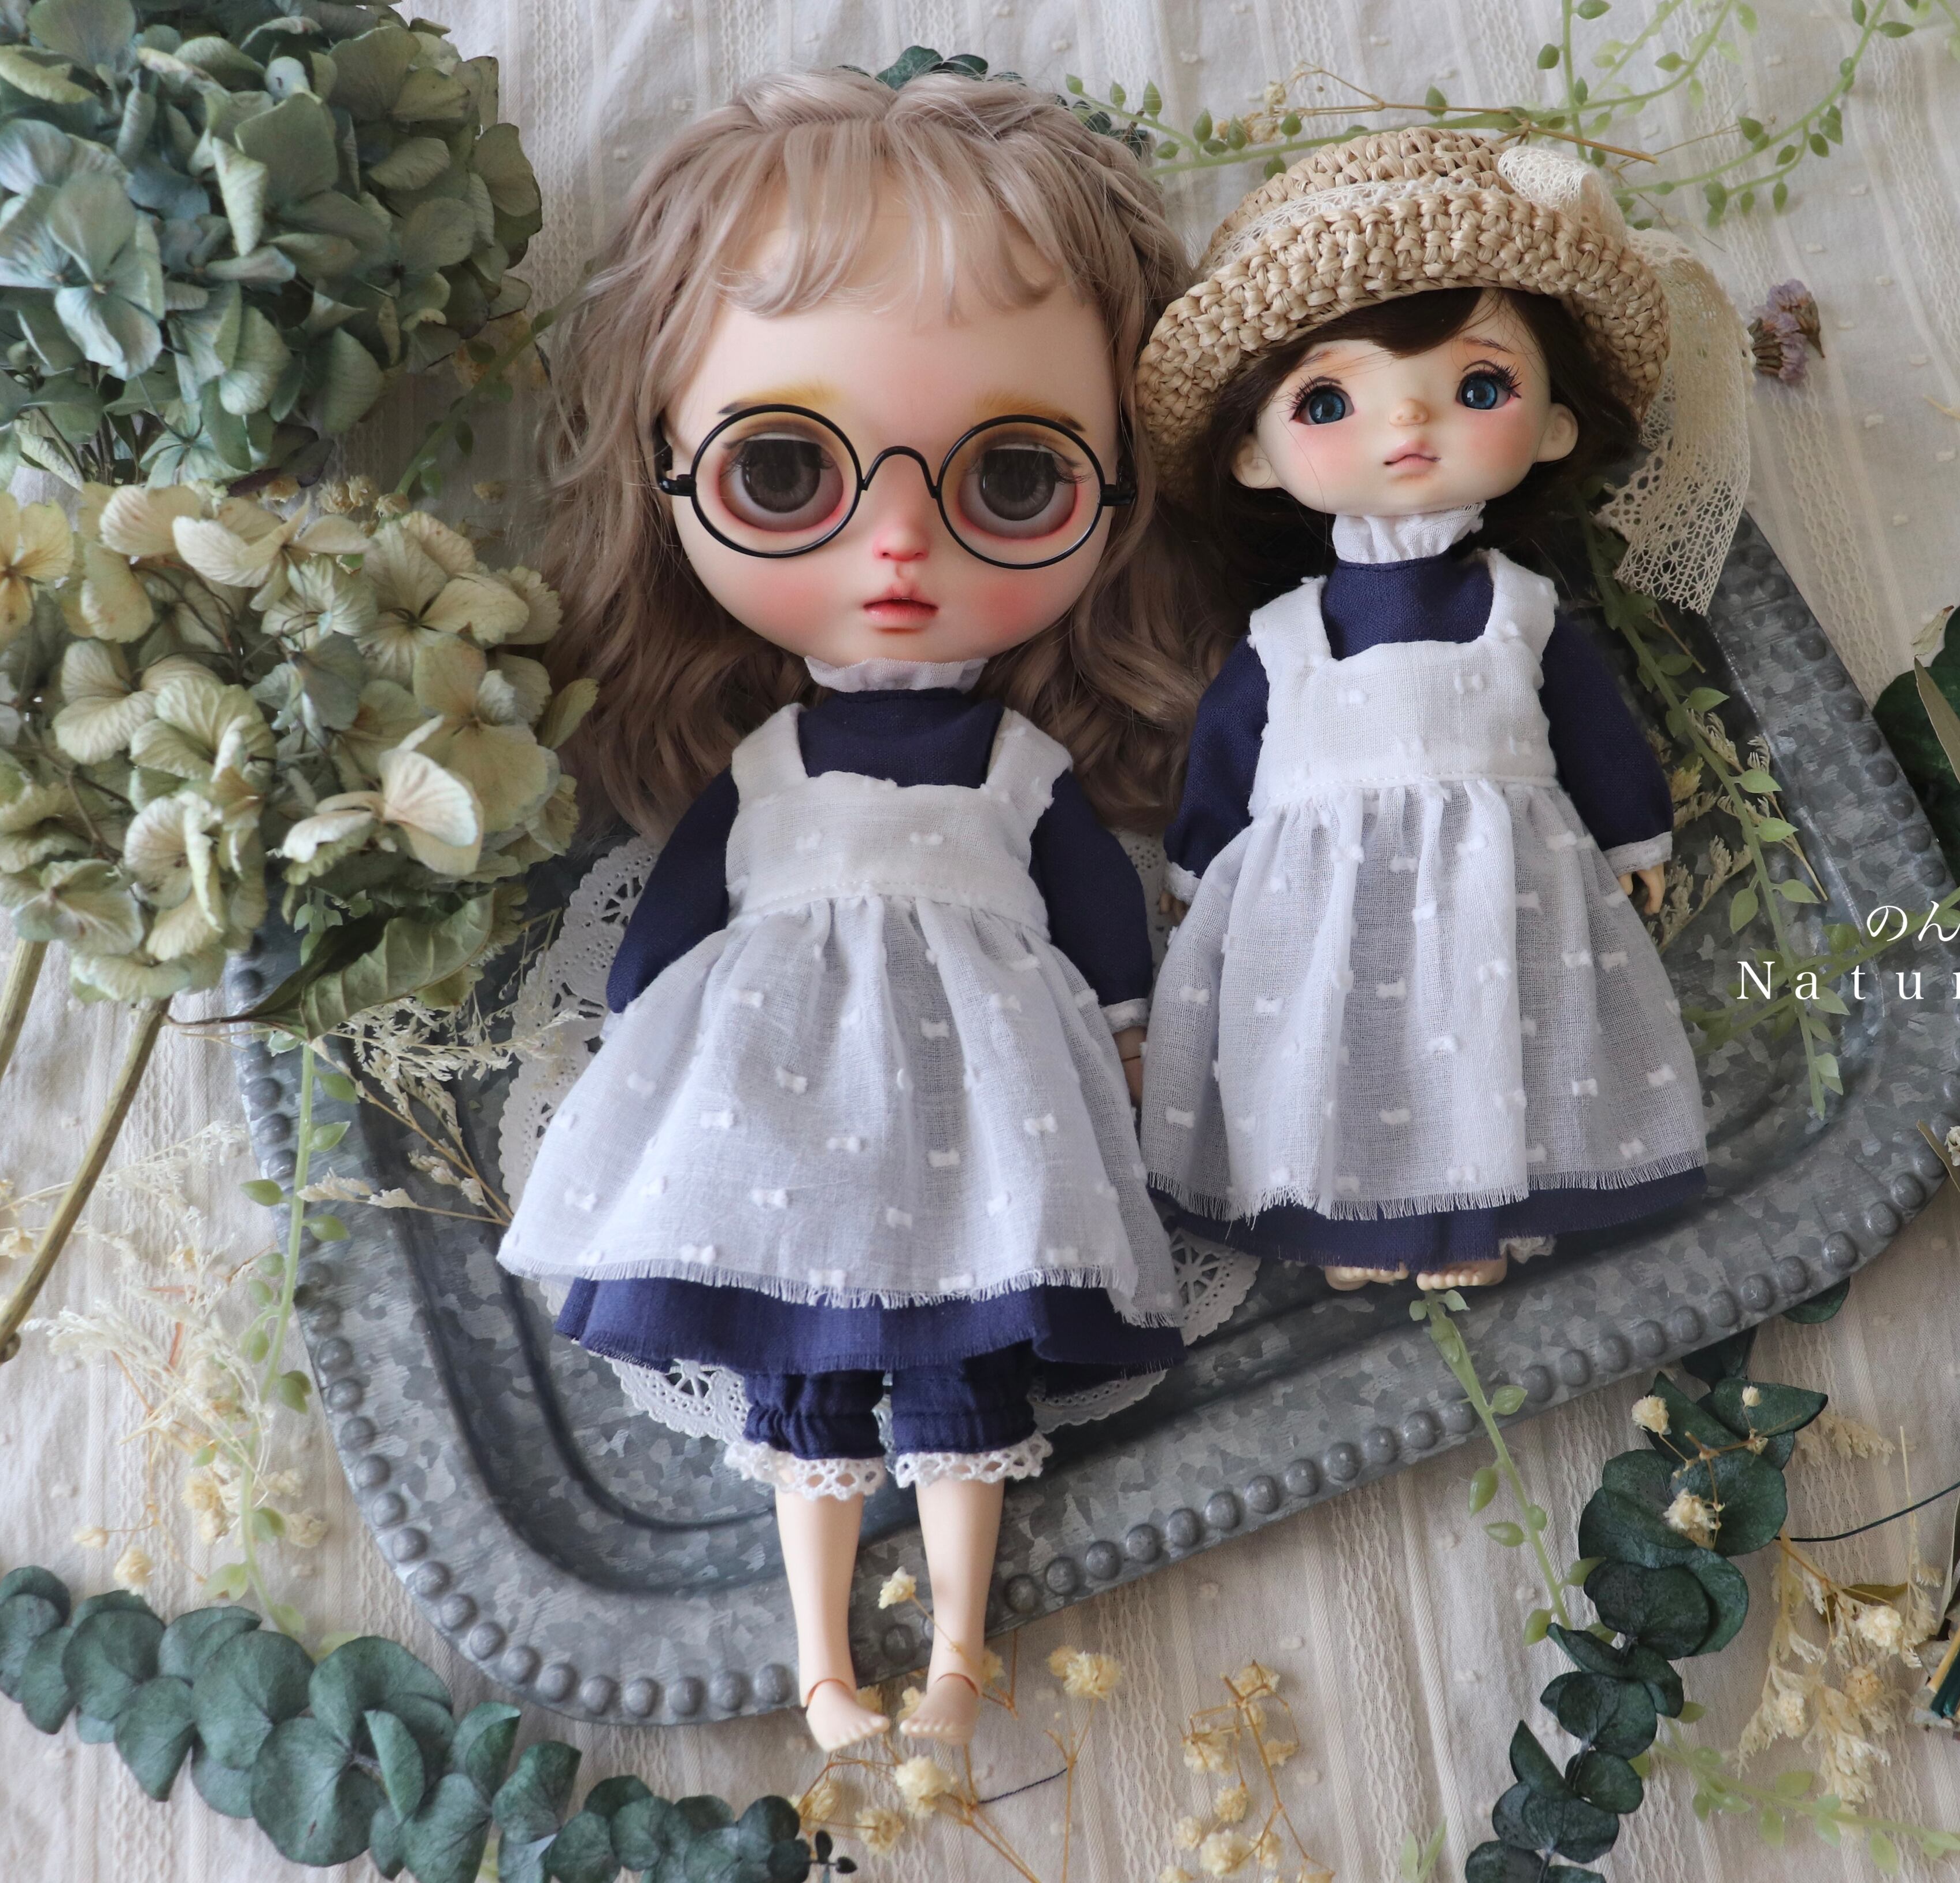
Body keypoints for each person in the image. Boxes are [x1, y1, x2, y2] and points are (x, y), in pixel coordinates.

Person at [501, 68, 1212, 1752]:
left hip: (985, 1122)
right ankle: (823, 1664)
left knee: (971, 1374)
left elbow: (1096, 915)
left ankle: (957, 1653)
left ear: (1123, 488)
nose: (898, 548)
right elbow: (669, 942)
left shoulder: (1021, 765)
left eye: (1015, 481)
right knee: (801, 1386)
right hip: (780, 1115)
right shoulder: (761, 767)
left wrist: (1127, 1031)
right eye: (783, 473)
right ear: (665, 463)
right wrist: (636, 1064)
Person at [1134, 130, 1712, 1295]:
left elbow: (1591, 728)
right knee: (1332, 1042)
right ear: (1253, 456)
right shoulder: (1282, 636)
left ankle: (1469, 1227)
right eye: (1329, 400)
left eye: (1478, 387)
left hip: (1502, 877)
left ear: (1556, 425)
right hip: (1312, 889)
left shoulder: (1522, 611)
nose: (1405, 427)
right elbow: (1227, 752)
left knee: (1493, 1041)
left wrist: (1631, 834)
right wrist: (1196, 866)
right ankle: (1352, 1223)